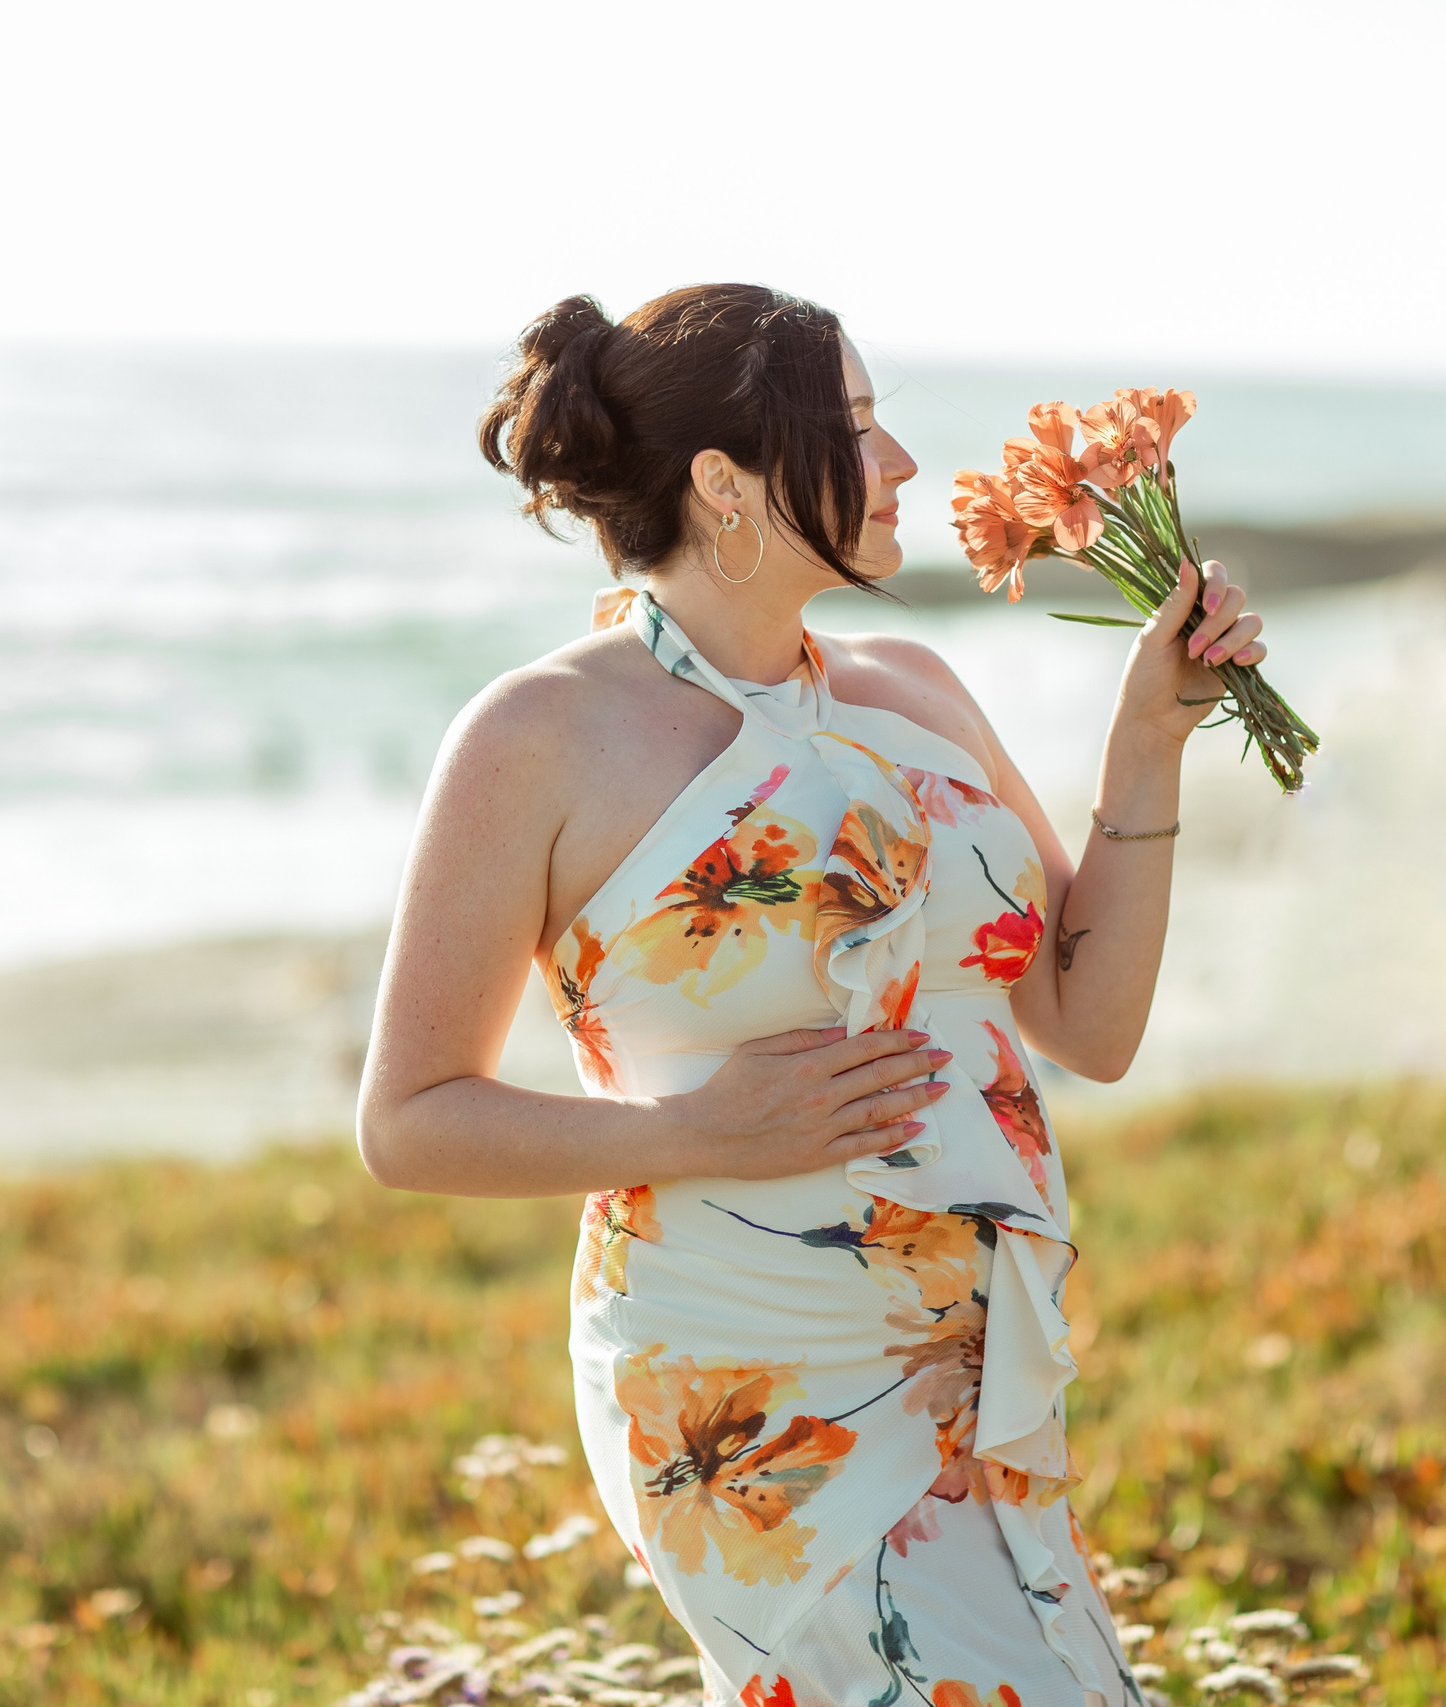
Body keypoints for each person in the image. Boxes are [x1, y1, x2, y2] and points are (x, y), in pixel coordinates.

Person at [357, 284, 1268, 1707]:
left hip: (960, 1367)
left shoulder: (915, 688)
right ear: (725, 484)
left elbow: (1088, 1025)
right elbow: (409, 1122)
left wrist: (1145, 750)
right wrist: (693, 1131)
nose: (902, 461)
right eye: (854, 426)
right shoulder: (537, 736)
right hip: (742, 1381)